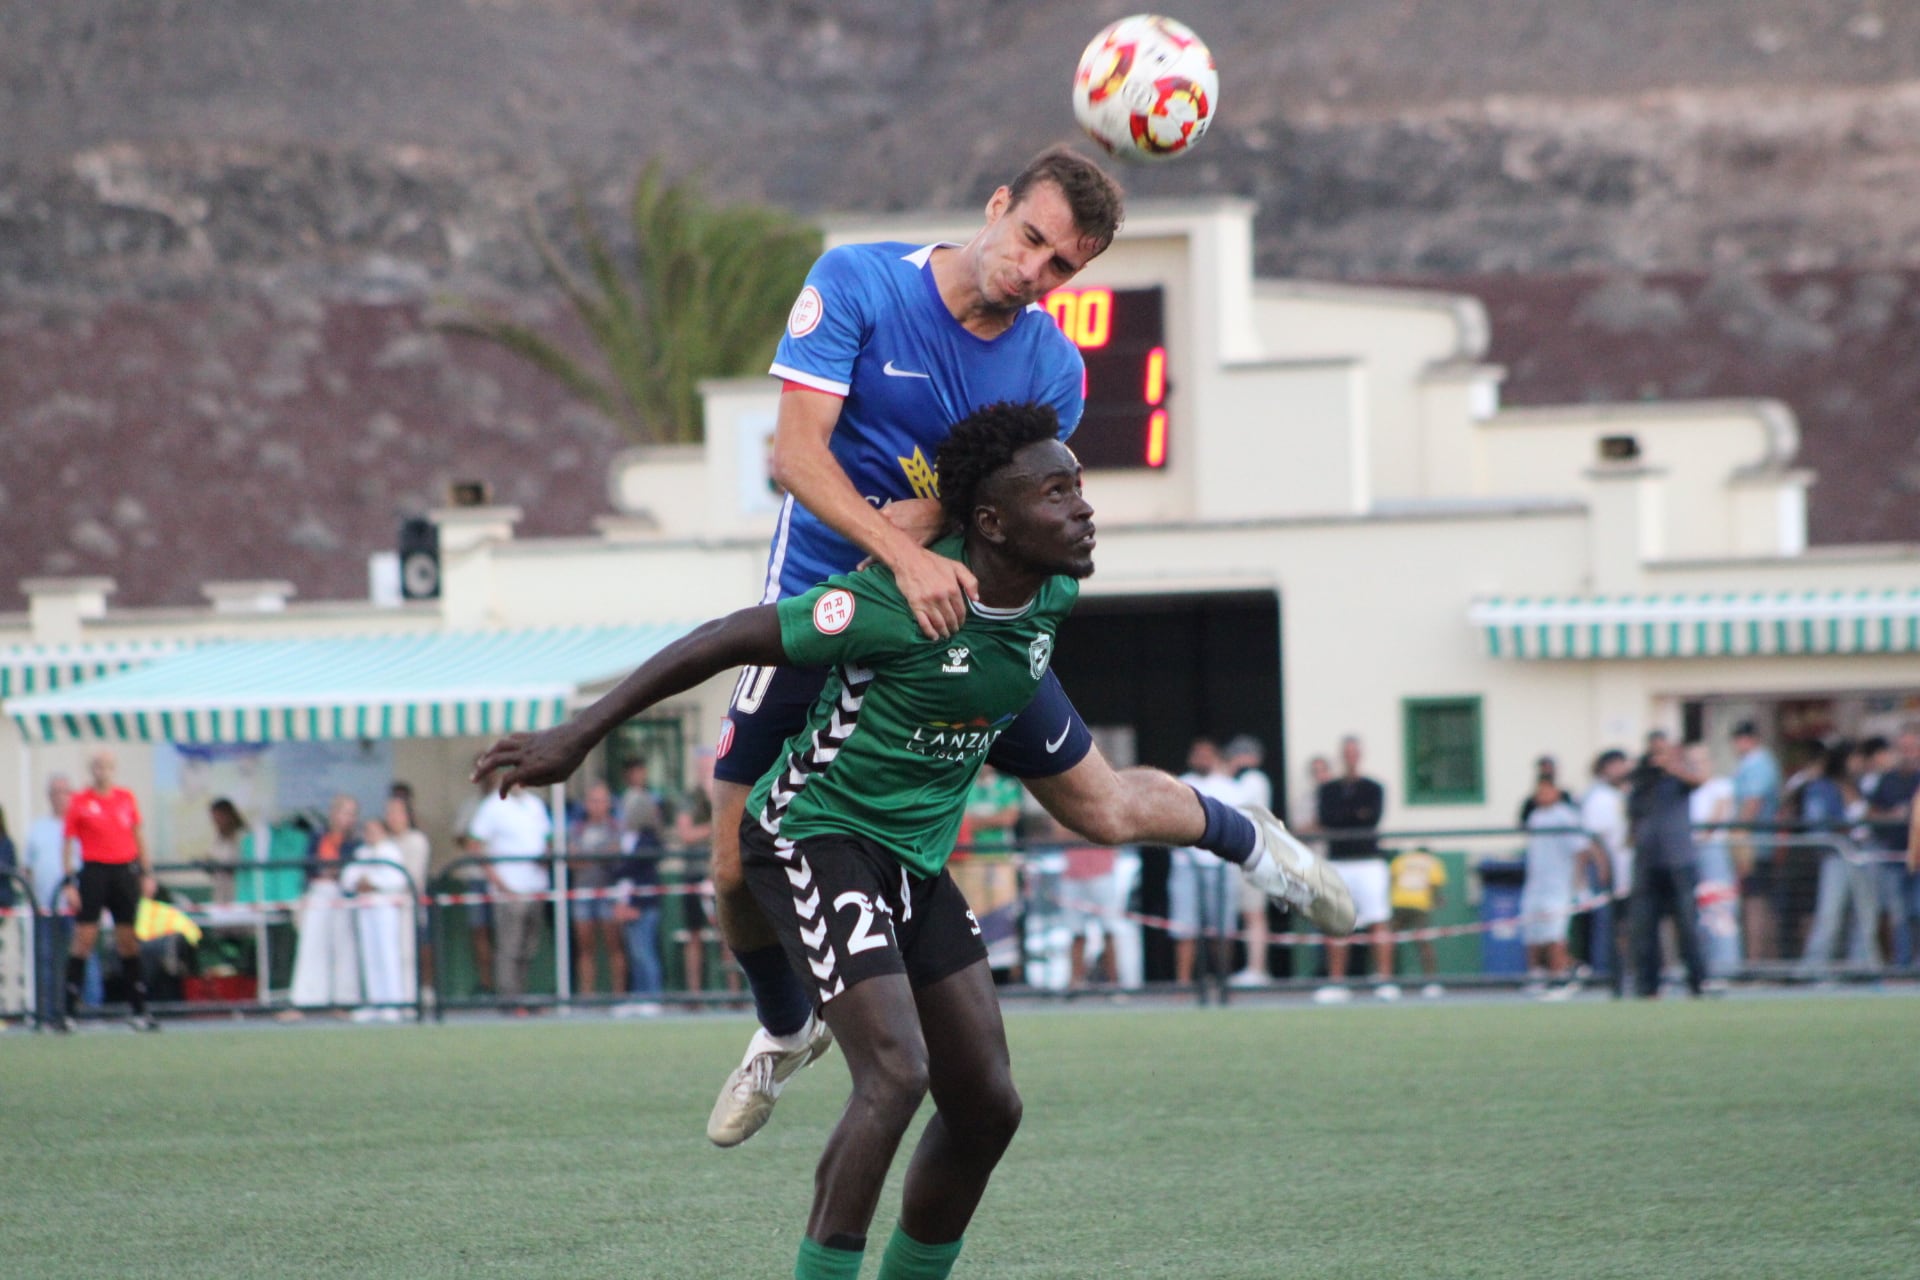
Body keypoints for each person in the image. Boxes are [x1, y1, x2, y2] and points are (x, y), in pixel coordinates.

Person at [471, 402, 1353, 1280]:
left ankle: (1251, 842)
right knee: (895, 1072)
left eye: (1079, 486)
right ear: (994, 524)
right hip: (817, 836)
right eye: (1058, 492)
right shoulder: (898, 602)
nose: (1083, 508)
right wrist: (579, 734)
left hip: (915, 864)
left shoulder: (1053, 587)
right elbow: (724, 637)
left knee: (990, 1107)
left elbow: (1053, 730)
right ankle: (781, 1036)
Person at [697, 146, 1191, 1151]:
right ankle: (787, 1025)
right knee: (728, 869)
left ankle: (1249, 834)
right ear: (996, 205)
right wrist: (900, 545)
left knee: (1097, 800)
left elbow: (1009, 508)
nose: (1035, 271)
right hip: (822, 604)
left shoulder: (1052, 361)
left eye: (1063, 266)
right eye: (1031, 239)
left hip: (946, 630)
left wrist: (933, 533)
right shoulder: (859, 281)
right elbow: (794, 456)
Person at [54, 750, 159, 1031]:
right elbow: (67, 843)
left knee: (128, 941)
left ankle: (139, 1010)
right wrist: (69, 882)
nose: (103, 771)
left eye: (108, 766)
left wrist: (146, 873)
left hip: (124, 872)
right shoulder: (81, 802)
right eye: (98, 766)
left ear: (114, 769)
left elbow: (138, 836)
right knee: (84, 939)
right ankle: (69, 1012)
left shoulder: (126, 799)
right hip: (94, 872)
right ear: (92, 770)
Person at [1314, 735, 1397, 1002]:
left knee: (1377, 919)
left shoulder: (1374, 787)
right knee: (1337, 921)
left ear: (1360, 755)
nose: (1350, 757)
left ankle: (1384, 979)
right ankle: (1337, 982)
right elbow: (1328, 819)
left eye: (1354, 752)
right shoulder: (1327, 790)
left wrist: (1348, 815)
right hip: (1338, 862)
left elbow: (1371, 818)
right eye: (1346, 752)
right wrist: (1353, 813)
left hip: (1368, 862)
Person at [1626, 735, 1708, 998]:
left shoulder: (1679, 780)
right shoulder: (1642, 784)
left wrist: (1672, 768)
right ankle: (1648, 988)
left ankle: (1697, 983)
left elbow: (1700, 780)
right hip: (1648, 865)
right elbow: (1632, 817)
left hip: (1678, 862)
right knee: (1644, 931)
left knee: (1687, 928)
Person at [468, 783, 553, 1009]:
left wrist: (545, 858)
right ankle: (509, 999)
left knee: (528, 947)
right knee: (509, 947)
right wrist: (496, 880)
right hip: (508, 888)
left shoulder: (535, 804)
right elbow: (474, 844)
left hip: (535, 886)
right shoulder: (493, 806)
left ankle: (521, 996)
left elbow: (548, 838)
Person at [25, 774, 100, 1026]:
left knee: (84, 957)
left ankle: (90, 1011)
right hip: (45, 908)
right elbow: (28, 867)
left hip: (77, 906)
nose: (60, 797)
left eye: (64, 792)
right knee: (46, 960)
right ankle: (48, 1012)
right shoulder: (38, 828)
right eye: (55, 792)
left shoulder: (83, 825)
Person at [1798, 743, 1877, 972]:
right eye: (1854, 758)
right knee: (1830, 914)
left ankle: (1860, 967)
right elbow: (1817, 823)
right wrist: (1845, 831)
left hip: (1862, 855)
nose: (1858, 763)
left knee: (1866, 915)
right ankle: (1815, 969)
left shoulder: (1860, 785)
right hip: (1836, 855)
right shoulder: (1821, 787)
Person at [1169, 738, 1239, 987]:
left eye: (1206, 754)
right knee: (1184, 928)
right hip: (1187, 865)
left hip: (1220, 866)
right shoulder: (1178, 785)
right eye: (1197, 754)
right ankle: (1184, 983)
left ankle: (1222, 982)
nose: (1201, 759)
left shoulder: (1230, 788)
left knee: (1222, 930)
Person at [286, 794, 363, 1015]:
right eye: (344, 812)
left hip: (342, 895)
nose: (347, 819)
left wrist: (337, 871)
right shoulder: (318, 837)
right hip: (317, 894)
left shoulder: (356, 842)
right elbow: (308, 865)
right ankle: (305, 1001)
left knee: (343, 948)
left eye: (352, 814)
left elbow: (353, 869)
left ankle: (343, 1001)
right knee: (311, 947)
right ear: (333, 813)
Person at [1518, 777, 1587, 997]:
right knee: (1532, 933)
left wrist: (1578, 880)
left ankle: (1561, 980)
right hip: (1535, 886)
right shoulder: (1536, 817)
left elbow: (1581, 850)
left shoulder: (1565, 816)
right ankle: (1537, 976)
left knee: (1555, 934)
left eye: (1546, 791)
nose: (1541, 795)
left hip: (1558, 886)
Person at [342, 816, 414, 1020]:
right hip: (365, 908)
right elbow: (348, 878)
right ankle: (373, 1001)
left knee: (387, 954)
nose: (370, 835)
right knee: (369, 955)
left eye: (374, 830)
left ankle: (392, 1002)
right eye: (367, 831)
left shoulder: (390, 851)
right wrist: (360, 882)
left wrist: (373, 882)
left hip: (384, 908)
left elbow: (397, 879)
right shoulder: (361, 853)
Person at [1222, 734, 1277, 987]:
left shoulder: (1253, 779)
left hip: (1254, 854)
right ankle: (1253, 967)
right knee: (1248, 914)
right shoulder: (1245, 780)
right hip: (1245, 854)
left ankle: (1256, 968)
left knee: (1254, 913)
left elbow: (1236, 806)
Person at [1863, 728, 1920, 967]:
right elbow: (1871, 812)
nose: (1908, 753)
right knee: (1899, 915)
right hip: (1895, 857)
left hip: (1917, 858)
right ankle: (1902, 966)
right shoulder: (1889, 778)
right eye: (1903, 747)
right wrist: (1892, 816)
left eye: (1913, 747)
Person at [1685, 742, 1741, 979]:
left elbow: (1717, 817)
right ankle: (1703, 968)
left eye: (1702, 761)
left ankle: (1727, 967)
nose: (1698, 767)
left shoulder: (1721, 786)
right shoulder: (1686, 790)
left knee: (1720, 908)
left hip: (1713, 852)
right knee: (1697, 912)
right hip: (1689, 853)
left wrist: (1698, 837)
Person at [1578, 749, 1632, 994]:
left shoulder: (1623, 794)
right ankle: (1607, 974)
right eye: (1615, 765)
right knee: (1607, 925)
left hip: (1628, 871)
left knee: (1627, 925)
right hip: (1609, 874)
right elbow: (1593, 838)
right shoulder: (1598, 798)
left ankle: (1627, 972)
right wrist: (1603, 868)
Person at [1729, 720, 1783, 959]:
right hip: (1755, 843)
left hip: (1756, 846)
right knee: (1757, 903)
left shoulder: (1759, 764)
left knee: (1756, 903)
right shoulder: (1751, 765)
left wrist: (1739, 838)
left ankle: (1757, 960)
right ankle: (1762, 959)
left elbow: (1753, 803)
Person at [569, 781, 628, 998]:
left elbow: (616, 854)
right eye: (593, 800)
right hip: (583, 892)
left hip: (609, 893)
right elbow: (572, 859)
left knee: (615, 946)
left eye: (602, 800)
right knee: (585, 947)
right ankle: (587, 996)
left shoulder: (616, 827)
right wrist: (600, 856)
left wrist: (590, 856)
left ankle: (619, 996)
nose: (597, 805)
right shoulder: (577, 828)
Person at [1386, 845, 1447, 998]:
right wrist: (1437, 900)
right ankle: (1431, 982)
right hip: (1420, 905)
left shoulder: (1401, 860)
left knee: (1389, 942)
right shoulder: (1432, 862)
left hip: (1398, 903)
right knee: (1424, 943)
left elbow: (1391, 880)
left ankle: (1387, 980)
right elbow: (1434, 885)